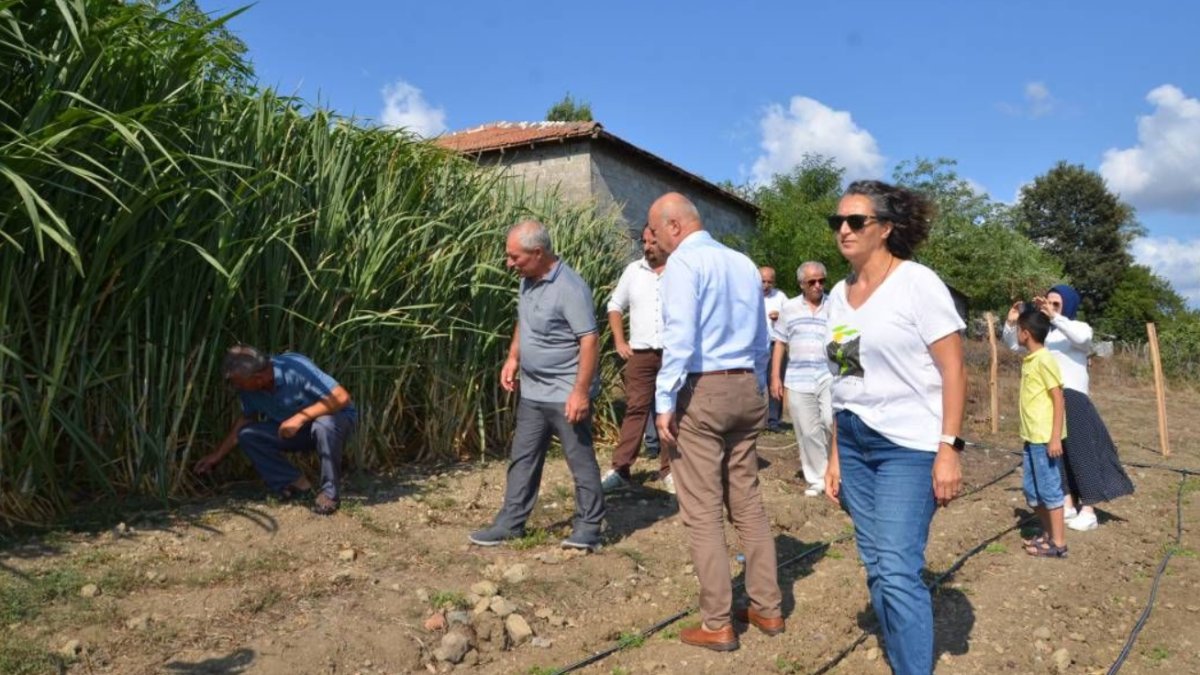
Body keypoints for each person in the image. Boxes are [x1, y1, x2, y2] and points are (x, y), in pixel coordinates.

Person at [823, 180, 965, 675]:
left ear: (884, 229)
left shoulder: (917, 283)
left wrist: (949, 447)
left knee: (899, 568)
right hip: (855, 440)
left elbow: (953, 369)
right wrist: (835, 455)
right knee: (878, 565)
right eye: (837, 221)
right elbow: (843, 379)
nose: (843, 229)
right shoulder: (838, 296)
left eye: (855, 221)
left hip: (909, 445)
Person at [650, 192, 783, 652]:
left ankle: (717, 622)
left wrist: (664, 400)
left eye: (655, 233)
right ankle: (767, 607)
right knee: (746, 500)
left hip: (702, 391)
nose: (656, 243)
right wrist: (761, 385)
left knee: (702, 510)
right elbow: (762, 336)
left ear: (673, 226)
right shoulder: (743, 263)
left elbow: (680, 337)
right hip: (746, 384)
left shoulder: (684, 265)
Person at [468, 219, 606, 551]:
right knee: (523, 458)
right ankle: (510, 524)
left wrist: (579, 392)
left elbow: (589, 340)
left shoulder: (571, 288)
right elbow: (524, 319)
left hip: (564, 393)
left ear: (538, 252)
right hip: (533, 391)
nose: (509, 263)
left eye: (515, 257)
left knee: (580, 459)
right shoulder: (527, 280)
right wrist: (513, 357)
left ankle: (589, 527)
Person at [1002, 285, 1133, 532]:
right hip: (1049, 400)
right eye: (1047, 303)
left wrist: (1055, 317)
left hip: (1073, 397)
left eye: (1056, 303)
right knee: (1058, 456)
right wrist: (1011, 324)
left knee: (1083, 454)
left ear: (1067, 305)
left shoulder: (1077, 328)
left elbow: (1082, 340)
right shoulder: (1047, 335)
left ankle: (1089, 510)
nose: (1049, 307)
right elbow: (1016, 346)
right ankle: (1068, 504)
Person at [195, 345, 357, 515]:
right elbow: (246, 419)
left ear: (258, 378)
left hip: (334, 424)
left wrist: (300, 417)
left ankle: (329, 495)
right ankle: (296, 485)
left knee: (324, 424)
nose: (236, 387)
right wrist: (216, 456)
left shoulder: (294, 368)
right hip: (296, 432)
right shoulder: (249, 389)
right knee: (248, 435)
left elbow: (341, 397)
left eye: (238, 382)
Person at [602, 225, 674, 494]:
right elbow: (614, 305)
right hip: (640, 354)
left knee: (671, 412)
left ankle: (670, 470)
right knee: (636, 409)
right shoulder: (633, 271)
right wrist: (620, 341)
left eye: (652, 241)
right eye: (644, 241)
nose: (647, 246)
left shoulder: (680, 270)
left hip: (673, 354)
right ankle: (621, 469)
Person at [771, 261, 832, 497]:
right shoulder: (789, 308)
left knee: (830, 421)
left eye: (821, 281)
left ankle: (838, 470)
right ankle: (818, 478)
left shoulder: (835, 305)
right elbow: (780, 342)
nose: (818, 285)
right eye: (812, 282)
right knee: (807, 431)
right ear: (801, 284)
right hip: (798, 377)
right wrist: (776, 376)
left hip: (829, 374)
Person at [1015, 307, 1069, 558]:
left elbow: (1058, 398)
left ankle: (1059, 543)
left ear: (1026, 333)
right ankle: (1048, 535)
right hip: (1031, 436)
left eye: (1017, 329)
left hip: (1045, 438)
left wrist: (1055, 436)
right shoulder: (1031, 358)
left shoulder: (1045, 359)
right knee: (1033, 492)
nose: (1016, 333)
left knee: (1049, 489)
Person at [760, 266, 789, 432]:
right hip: (753, 346)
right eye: (763, 281)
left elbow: (791, 316)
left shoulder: (781, 297)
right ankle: (755, 419)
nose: (766, 285)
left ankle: (774, 420)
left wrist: (780, 316)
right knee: (754, 383)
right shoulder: (748, 294)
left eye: (770, 281)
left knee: (775, 381)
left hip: (775, 344)